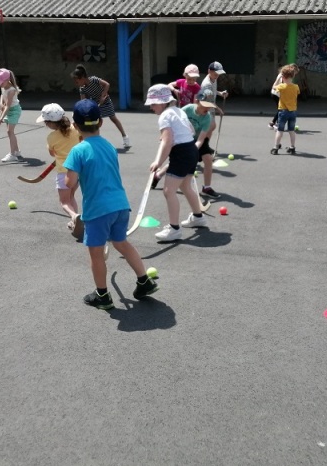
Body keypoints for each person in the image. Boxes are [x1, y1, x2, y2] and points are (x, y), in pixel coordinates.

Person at [64, 99, 159, 310]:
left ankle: (102, 295)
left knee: (96, 253)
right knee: (121, 243)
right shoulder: (109, 146)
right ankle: (144, 280)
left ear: (75, 125)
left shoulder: (78, 151)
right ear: (101, 122)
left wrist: (69, 170)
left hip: (98, 210)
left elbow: (70, 182)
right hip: (120, 205)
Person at [146, 84, 207, 242]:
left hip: (181, 153)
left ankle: (174, 229)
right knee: (186, 187)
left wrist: (158, 162)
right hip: (191, 150)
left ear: (162, 102)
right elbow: (191, 130)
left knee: (168, 191)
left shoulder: (164, 116)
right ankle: (198, 217)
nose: (151, 107)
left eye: (153, 103)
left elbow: (167, 142)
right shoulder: (178, 111)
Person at [38, 103, 83, 237]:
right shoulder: (75, 129)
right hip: (78, 171)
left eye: (46, 122)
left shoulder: (51, 137)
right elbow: (80, 140)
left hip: (64, 172)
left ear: (51, 123)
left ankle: (74, 216)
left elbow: (53, 153)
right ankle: (75, 220)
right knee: (71, 196)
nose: (46, 124)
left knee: (64, 202)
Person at [70, 64, 131, 149]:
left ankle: (125, 136)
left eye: (77, 82)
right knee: (96, 122)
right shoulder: (82, 88)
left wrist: (103, 96)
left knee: (113, 118)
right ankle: (93, 140)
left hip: (105, 101)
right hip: (95, 104)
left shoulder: (94, 79)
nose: (76, 84)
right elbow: (83, 102)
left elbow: (107, 84)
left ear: (82, 78)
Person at [0, 68, 24, 162]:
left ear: (7, 80)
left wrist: (0, 118)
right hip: (7, 110)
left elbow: (8, 106)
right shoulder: (3, 86)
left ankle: (12, 154)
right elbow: (2, 95)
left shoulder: (12, 90)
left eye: (1, 82)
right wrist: (0, 104)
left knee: (10, 131)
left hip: (14, 111)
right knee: (10, 132)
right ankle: (17, 151)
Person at [270, 64, 300, 154]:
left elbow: (273, 88)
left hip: (283, 111)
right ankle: (292, 147)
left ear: (283, 76)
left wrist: (278, 79)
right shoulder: (296, 87)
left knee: (280, 130)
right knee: (291, 131)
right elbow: (297, 93)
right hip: (293, 111)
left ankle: (276, 147)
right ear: (293, 76)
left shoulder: (281, 86)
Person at [199, 61, 228, 142]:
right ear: (209, 71)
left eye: (218, 74)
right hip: (206, 108)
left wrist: (220, 93)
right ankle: (202, 145)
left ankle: (205, 145)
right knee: (209, 127)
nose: (217, 76)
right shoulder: (207, 84)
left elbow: (213, 91)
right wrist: (219, 110)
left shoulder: (213, 78)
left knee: (210, 128)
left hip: (211, 108)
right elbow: (209, 102)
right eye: (216, 74)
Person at [268, 64, 299, 129]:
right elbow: (283, 85)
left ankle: (274, 123)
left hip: (276, 93)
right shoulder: (285, 75)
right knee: (281, 109)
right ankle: (275, 124)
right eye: (295, 72)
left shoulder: (284, 74)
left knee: (281, 109)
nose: (295, 74)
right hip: (276, 93)